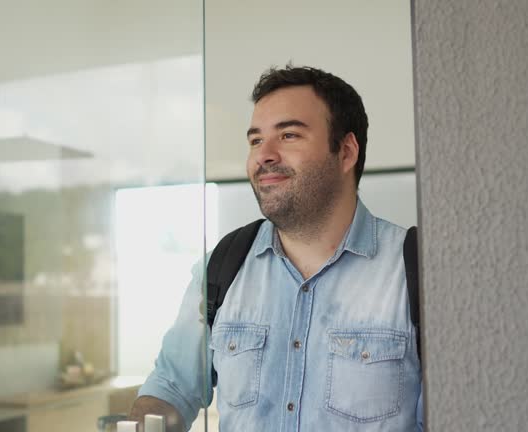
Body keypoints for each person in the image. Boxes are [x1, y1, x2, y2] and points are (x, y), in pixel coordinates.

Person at [129, 65, 423, 431]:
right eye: (255, 140)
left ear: (346, 152)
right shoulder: (222, 267)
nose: (263, 155)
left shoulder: (417, 272)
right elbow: (171, 388)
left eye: (288, 135)